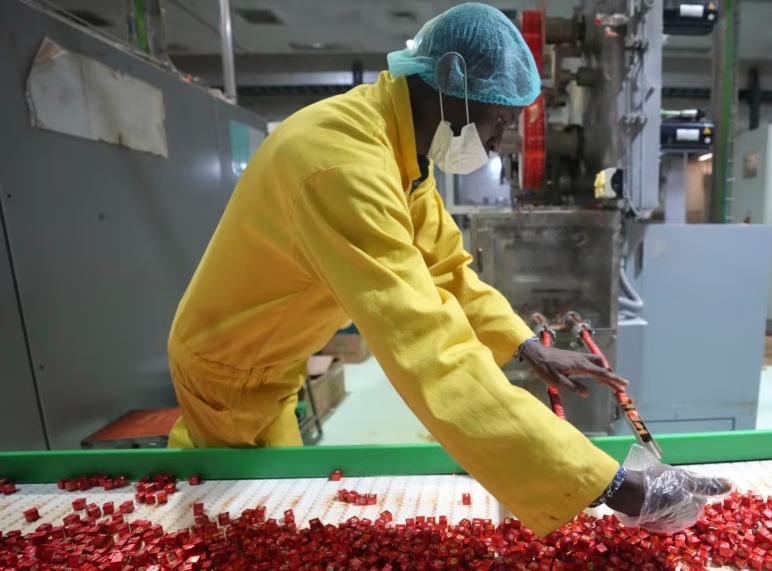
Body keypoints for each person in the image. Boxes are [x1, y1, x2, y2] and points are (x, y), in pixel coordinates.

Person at [166, 2, 731, 537]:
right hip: (230, 373)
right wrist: (610, 484)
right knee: (239, 520)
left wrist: (524, 345)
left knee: (274, 506)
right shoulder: (342, 167)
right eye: (497, 120)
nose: (499, 141)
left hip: (273, 367)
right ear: (450, 85)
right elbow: (427, 350)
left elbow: (446, 269)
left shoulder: (397, 149)